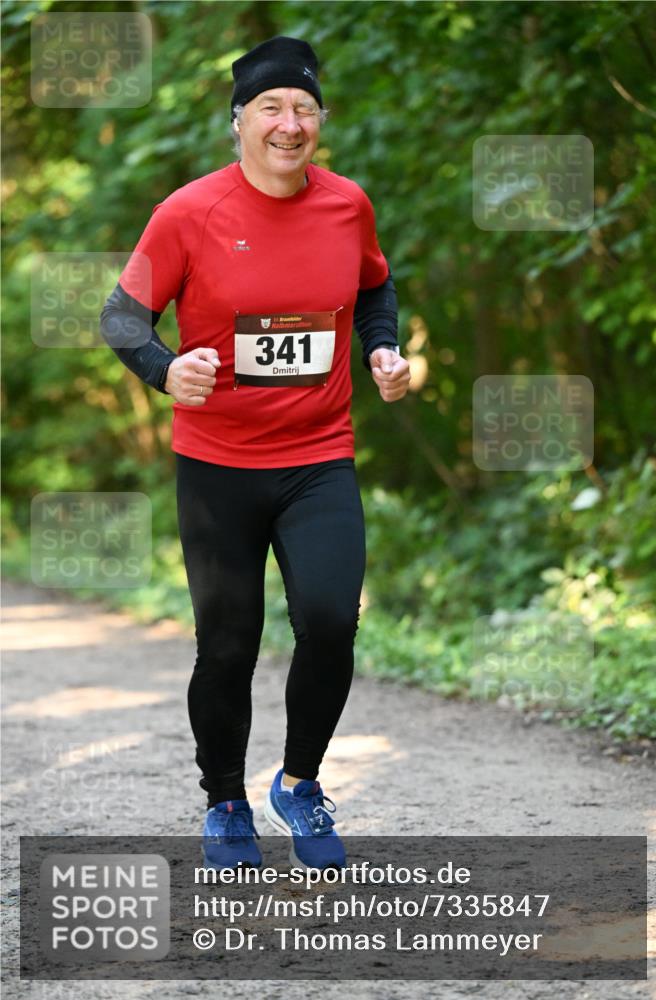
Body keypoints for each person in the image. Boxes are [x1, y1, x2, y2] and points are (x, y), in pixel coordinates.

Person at [100, 35, 410, 872]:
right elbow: (122, 319)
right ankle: (225, 801)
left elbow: (374, 285)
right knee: (228, 644)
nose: (289, 123)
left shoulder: (348, 205)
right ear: (238, 122)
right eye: (271, 107)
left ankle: (299, 783)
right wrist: (170, 371)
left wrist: (381, 350)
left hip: (318, 457)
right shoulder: (188, 212)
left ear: (320, 124)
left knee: (328, 622)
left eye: (305, 108)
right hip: (218, 466)